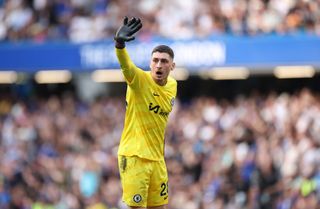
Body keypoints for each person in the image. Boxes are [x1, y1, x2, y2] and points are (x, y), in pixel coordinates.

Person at [114, 16, 177, 209]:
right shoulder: (139, 80)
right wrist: (119, 45)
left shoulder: (173, 85)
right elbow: (127, 67)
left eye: (164, 61)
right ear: (150, 64)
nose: (159, 65)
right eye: (155, 60)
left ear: (172, 67)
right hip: (135, 157)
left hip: (157, 159)